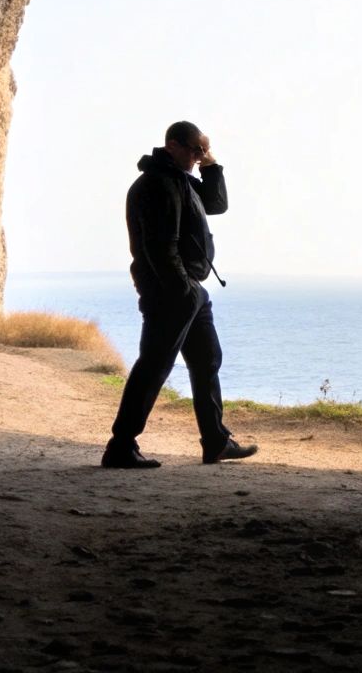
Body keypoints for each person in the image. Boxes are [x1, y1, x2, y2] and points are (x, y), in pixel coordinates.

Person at [101, 121, 259, 468]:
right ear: (172, 145)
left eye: (202, 150)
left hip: (188, 291)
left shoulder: (180, 180)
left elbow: (216, 203)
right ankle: (120, 447)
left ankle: (216, 441)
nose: (197, 156)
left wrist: (211, 165)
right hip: (171, 292)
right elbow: (161, 247)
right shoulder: (157, 184)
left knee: (207, 360)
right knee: (154, 365)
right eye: (194, 150)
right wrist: (184, 291)